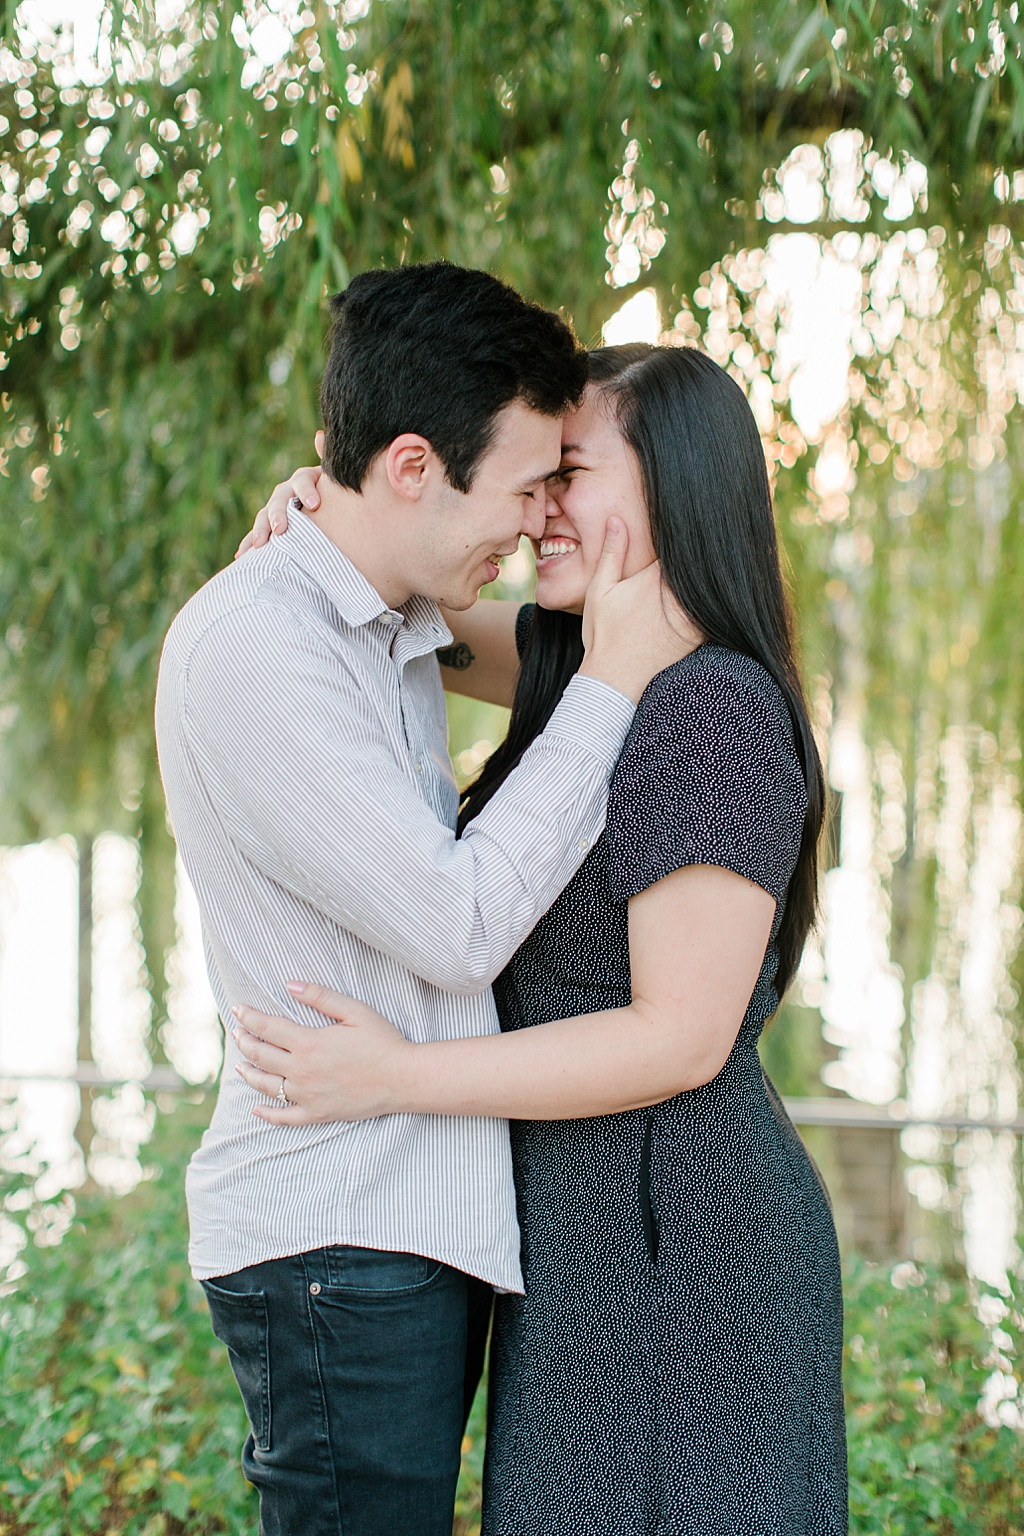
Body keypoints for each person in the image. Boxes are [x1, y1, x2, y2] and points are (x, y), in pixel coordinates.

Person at [233, 342, 848, 1536]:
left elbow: (678, 1037)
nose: (535, 506)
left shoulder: (708, 711)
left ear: (674, 486)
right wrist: (330, 509)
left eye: (568, 472)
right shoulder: (583, 666)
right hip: (586, 1246)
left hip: (683, 1260)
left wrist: (397, 1078)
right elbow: (405, 604)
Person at [154, 267, 694, 1536]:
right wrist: (614, 681)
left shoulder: (383, 621)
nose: (533, 520)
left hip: (400, 1228)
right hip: (336, 1239)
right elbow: (458, 926)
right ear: (410, 466)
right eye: (522, 486)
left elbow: (520, 655)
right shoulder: (261, 647)